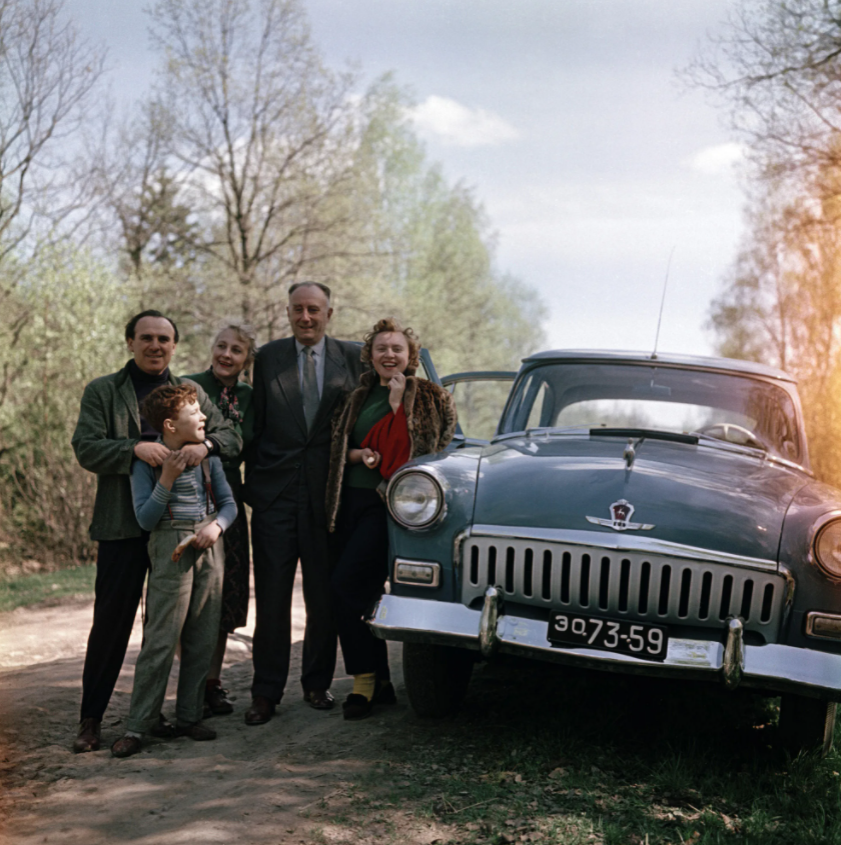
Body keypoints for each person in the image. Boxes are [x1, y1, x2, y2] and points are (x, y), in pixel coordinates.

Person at [70, 310, 241, 753]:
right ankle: (91, 719)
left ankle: (180, 713)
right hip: (125, 524)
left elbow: (230, 436)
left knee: (179, 625)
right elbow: (86, 447)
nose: (155, 346)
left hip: (183, 531)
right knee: (111, 623)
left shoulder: (191, 392)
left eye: (164, 339)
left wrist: (205, 447)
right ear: (130, 342)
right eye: (146, 337)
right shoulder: (104, 391)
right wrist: (133, 447)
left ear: (174, 346)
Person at [243, 282, 366, 725]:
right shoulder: (269, 358)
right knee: (272, 600)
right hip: (275, 498)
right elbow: (253, 425)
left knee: (323, 597)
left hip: (327, 498)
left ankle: (316, 684)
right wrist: (256, 485)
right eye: (298, 309)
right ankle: (265, 692)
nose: (306, 317)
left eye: (314, 310)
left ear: (329, 313)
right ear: (288, 313)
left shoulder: (352, 358)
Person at [325, 318, 457, 719]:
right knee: (358, 591)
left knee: (345, 585)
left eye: (397, 348)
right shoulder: (357, 396)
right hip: (348, 502)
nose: (389, 355)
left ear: (411, 356)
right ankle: (379, 680)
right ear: (370, 355)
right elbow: (341, 450)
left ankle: (364, 681)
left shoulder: (431, 397)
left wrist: (400, 407)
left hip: (392, 507)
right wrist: (358, 455)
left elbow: (421, 454)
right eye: (381, 348)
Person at [111, 383, 237, 758]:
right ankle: (139, 724)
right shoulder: (146, 462)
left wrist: (217, 527)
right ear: (169, 424)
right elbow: (146, 520)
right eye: (194, 412)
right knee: (162, 638)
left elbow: (228, 505)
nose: (203, 417)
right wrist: (166, 477)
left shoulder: (208, 458)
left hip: (210, 544)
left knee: (202, 633)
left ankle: (189, 716)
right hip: (170, 549)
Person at [184, 323, 256, 716]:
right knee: (187, 594)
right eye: (221, 346)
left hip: (228, 494)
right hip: (186, 494)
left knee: (224, 595)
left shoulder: (251, 397)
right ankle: (184, 687)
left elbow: (246, 443)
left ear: (247, 359)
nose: (227, 355)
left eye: (237, 350)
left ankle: (212, 683)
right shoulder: (188, 385)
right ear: (211, 348)